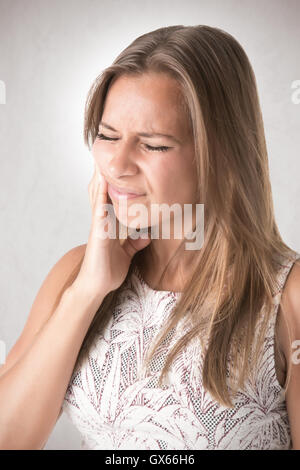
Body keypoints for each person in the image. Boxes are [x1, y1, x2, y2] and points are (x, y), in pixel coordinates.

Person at [0, 24, 300, 450]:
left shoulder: (287, 300)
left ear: (221, 153)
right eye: (107, 136)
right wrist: (87, 291)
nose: (117, 164)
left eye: (154, 145)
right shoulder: (76, 273)